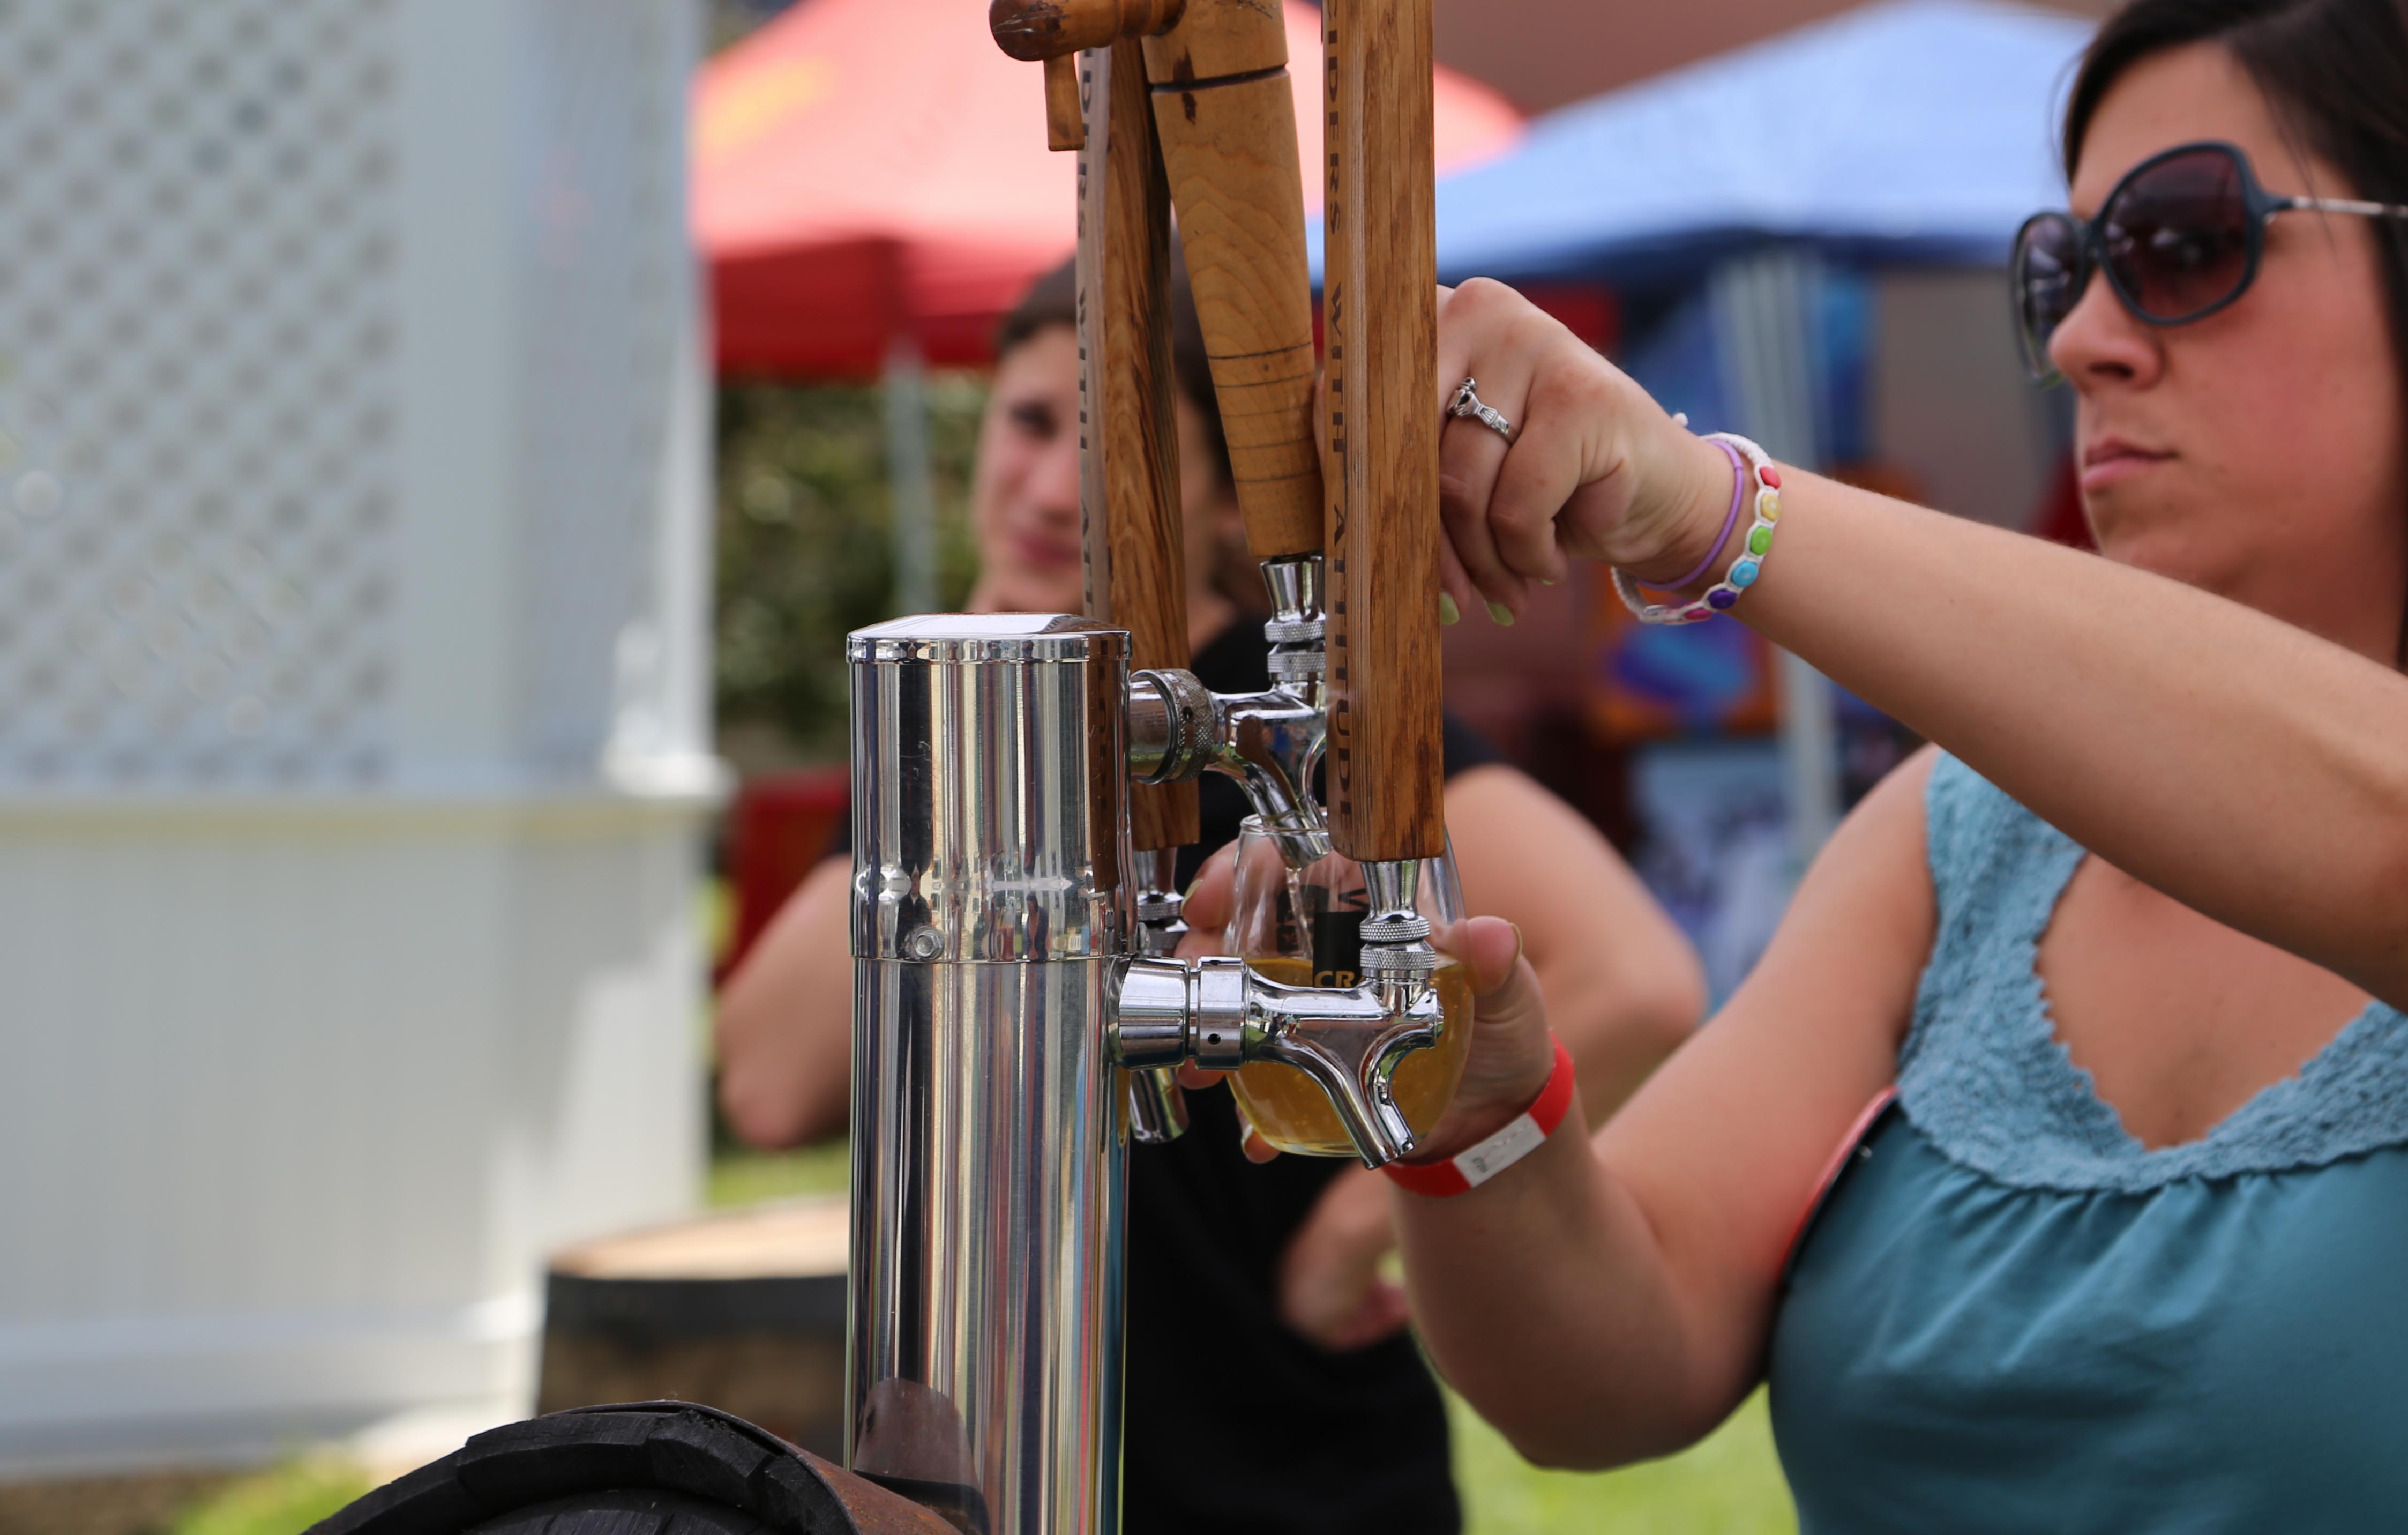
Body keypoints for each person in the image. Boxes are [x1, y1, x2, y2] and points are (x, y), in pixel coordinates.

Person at [1241, 0, 2408, 1528]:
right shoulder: (1963, 830)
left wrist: (1712, 509)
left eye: (2176, 247)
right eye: (2062, 269)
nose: (2082, 338)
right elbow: (1613, 1370)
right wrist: (1477, 1118)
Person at [715, 260, 1705, 1534]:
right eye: (1027, 424)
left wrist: (1361, 1221)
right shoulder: (955, 748)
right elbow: (766, 1079)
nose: (1056, 486)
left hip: (1293, 1458)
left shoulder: (1295, 725)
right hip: (998, 1447)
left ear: (1218, 496)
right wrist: (963, 711)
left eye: (1107, 449)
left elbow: (1640, 978)